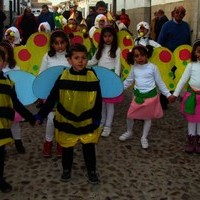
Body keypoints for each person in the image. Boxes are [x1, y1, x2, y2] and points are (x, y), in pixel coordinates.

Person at [35, 43, 102, 184]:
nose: (80, 61)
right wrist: (41, 114)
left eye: (83, 58)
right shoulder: (63, 77)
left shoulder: (92, 76)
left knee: (89, 147)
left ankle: (92, 170)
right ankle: (66, 169)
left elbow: (98, 99)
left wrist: (97, 118)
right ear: (69, 60)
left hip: (87, 120)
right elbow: (52, 97)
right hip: (67, 119)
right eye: (76, 58)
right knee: (67, 147)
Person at [118, 45, 173, 149]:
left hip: (150, 97)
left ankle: (144, 137)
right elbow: (128, 81)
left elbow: (160, 82)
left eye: (142, 55)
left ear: (146, 55)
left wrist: (168, 94)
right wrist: (118, 89)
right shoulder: (134, 68)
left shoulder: (153, 67)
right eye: (136, 56)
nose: (140, 58)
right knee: (130, 115)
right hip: (138, 97)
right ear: (133, 57)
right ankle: (129, 131)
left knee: (147, 118)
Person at [0, 48, 35, 193]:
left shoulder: (8, 83)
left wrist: (31, 117)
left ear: (4, 63)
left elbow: (16, 103)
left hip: (1, 126)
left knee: (0, 155)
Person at [39, 30, 70, 157]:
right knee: (51, 120)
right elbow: (41, 75)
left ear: (67, 43)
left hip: (67, 94)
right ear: (52, 44)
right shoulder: (47, 56)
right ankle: (48, 142)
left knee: (64, 120)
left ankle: (60, 142)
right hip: (51, 94)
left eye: (62, 43)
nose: (59, 46)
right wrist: (41, 94)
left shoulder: (70, 56)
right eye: (56, 43)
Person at [88, 26, 121, 137]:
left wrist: (116, 80)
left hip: (111, 79)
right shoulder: (100, 49)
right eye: (105, 36)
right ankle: (101, 123)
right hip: (101, 78)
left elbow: (117, 67)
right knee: (101, 103)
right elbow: (93, 61)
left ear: (113, 37)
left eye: (109, 36)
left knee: (110, 104)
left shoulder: (116, 50)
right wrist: (83, 62)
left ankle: (108, 125)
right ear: (102, 37)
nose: (107, 38)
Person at [157, 6, 191, 110]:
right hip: (169, 58)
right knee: (168, 78)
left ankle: (178, 97)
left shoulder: (186, 26)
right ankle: (163, 101)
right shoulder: (166, 25)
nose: (179, 14)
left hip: (182, 59)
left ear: (184, 15)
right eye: (177, 12)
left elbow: (188, 42)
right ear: (173, 13)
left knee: (180, 78)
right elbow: (160, 41)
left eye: (182, 12)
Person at [170, 39, 200, 153]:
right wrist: (175, 94)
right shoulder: (191, 65)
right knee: (192, 120)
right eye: (199, 51)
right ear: (194, 53)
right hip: (192, 97)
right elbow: (182, 80)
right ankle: (191, 140)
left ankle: (198, 140)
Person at [0, 41, 26, 153]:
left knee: (14, 124)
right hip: (2, 102)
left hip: (12, 101)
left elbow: (19, 84)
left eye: (5, 53)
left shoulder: (15, 68)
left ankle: (18, 141)